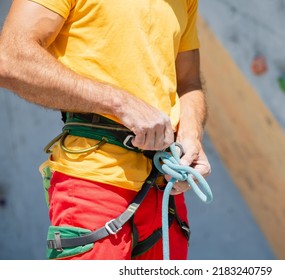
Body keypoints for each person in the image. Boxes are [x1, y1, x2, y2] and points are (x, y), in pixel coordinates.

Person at [0, 0, 211, 260]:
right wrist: (119, 103)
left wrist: (191, 137)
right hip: (95, 179)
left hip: (165, 192)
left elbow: (188, 82)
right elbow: (10, 58)